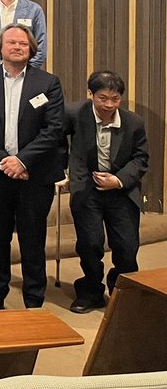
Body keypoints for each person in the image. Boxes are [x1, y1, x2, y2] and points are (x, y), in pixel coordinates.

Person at [0, 24, 65, 310]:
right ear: (0, 47)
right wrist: (4, 161)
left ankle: (34, 298)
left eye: (23, 44)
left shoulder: (48, 82)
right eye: (12, 42)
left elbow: (54, 128)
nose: (18, 47)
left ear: (31, 49)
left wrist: (22, 160)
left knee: (33, 237)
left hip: (35, 174)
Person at [65, 70, 148, 314]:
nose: (109, 105)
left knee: (126, 247)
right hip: (87, 189)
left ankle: (119, 291)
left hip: (121, 190)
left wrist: (118, 180)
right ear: (90, 94)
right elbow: (55, 140)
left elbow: (141, 158)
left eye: (115, 99)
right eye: (103, 98)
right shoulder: (74, 114)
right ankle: (90, 290)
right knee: (90, 244)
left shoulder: (133, 122)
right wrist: (65, 171)